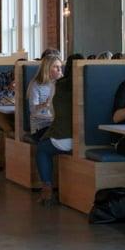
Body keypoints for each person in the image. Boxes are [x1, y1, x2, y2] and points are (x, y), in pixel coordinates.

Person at [35, 54, 84, 205]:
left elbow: (54, 113)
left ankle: (47, 189)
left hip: (66, 139)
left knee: (42, 149)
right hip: (88, 138)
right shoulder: (91, 83)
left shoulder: (60, 85)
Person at [27, 55, 63, 141]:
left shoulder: (61, 84)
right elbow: (32, 110)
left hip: (56, 124)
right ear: (47, 69)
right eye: (55, 67)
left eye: (60, 67)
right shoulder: (36, 85)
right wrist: (45, 104)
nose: (59, 70)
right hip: (41, 126)